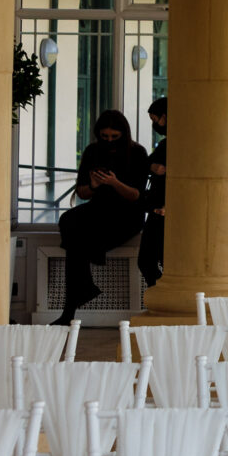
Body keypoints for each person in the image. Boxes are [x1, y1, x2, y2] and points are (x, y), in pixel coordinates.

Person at [55, 108, 150, 325]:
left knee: (77, 246)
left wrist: (114, 183)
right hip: (99, 209)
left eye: (114, 138)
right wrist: (94, 185)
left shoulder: (137, 153)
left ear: (123, 135)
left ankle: (69, 313)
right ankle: (83, 290)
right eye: (104, 137)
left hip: (127, 214)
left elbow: (136, 196)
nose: (109, 141)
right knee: (68, 221)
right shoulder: (92, 152)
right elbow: (82, 193)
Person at [137, 97, 169, 289]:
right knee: (148, 261)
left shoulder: (173, 145)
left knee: (152, 260)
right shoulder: (166, 144)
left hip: (163, 212)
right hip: (157, 210)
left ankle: (161, 294)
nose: (154, 124)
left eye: (154, 119)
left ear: (164, 117)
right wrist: (154, 166)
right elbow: (145, 164)